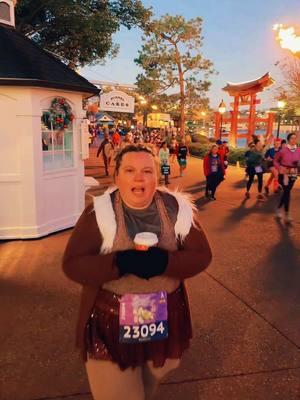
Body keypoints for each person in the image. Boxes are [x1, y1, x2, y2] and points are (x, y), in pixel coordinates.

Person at [62, 144, 212, 400]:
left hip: (163, 319)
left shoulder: (176, 209)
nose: (139, 178)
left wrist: (165, 263)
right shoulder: (99, 213)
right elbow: (73, 263)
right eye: (129, 170)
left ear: (157, 175)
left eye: (147, 170)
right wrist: (120, 263)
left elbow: (202, 255)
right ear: (117, 176)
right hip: (111, 322)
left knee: (149, 384)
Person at [274, 132, 300, 223]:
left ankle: (278, 209)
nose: (294, 140)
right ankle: (287, 214)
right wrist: (279, 168)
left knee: (286, 192)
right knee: (287, 192)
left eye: (295, 138)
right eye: (292, 138)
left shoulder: (299, 150)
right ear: (288, 139)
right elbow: (275, 161)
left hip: (293, 173)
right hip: (284, 173)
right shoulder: (283, 150)